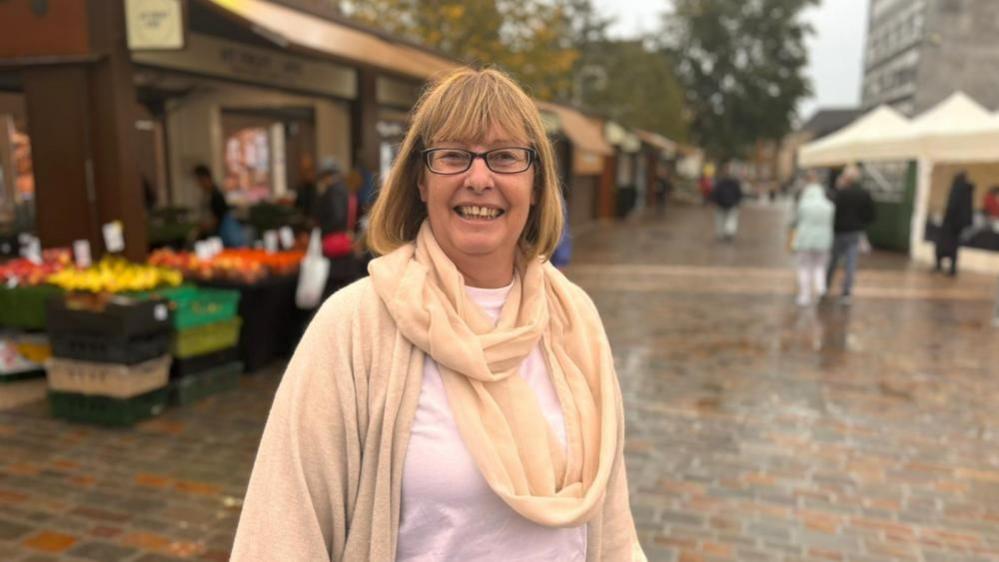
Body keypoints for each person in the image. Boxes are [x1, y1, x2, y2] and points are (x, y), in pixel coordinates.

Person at [231, 67, 645, 562]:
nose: (478, 178)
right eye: (452, 156)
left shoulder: (574, 316)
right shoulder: (353, 327)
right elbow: (282, 531)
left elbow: (613, 519)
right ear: (421, 183)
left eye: (506, 157)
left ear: (536, 185)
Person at [826, 165, 875, 305]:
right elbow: (871, 215)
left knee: (832, 261)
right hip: (854, 232)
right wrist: (860, 223)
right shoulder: (864, 194)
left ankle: (826, 286)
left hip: (838, 232)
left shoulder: (839, 194)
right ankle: (846, 292)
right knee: (850, 263)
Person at [790, 171, 835, 307]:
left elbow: (796, 221)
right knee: (820, 266)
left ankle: (805, 294)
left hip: (805, 239)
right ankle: (821, 287)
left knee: (804, 267)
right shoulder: (829, 206)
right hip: (823, 240)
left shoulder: (803, 204)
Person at [192, 164, 245, 247]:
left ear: (205, 178)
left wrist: (204, 227)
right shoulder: (208, 194)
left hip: (220, 235)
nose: (198, 184)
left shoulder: (216, 195)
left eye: (199, 180)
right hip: (218, 233)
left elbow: (218, 217)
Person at [935, 172, 974, 276]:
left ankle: (939, 265)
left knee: (942, 244)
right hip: (959, 225)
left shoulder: (957, 189)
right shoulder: (968, 190)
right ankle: (952, 269)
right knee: (954, 247)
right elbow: (968, 208)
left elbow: (952, 206)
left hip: (950, 223)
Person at [711, 164, 743, 241]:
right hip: (731, 204)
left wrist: (715, 201)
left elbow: (715, 193)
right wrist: (737, 202)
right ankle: (729, 232)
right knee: (731, 219)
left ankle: (721, 234)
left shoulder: (719, 182)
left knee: (721, 220)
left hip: (722, 204)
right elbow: (739, 194)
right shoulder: (735, 182)